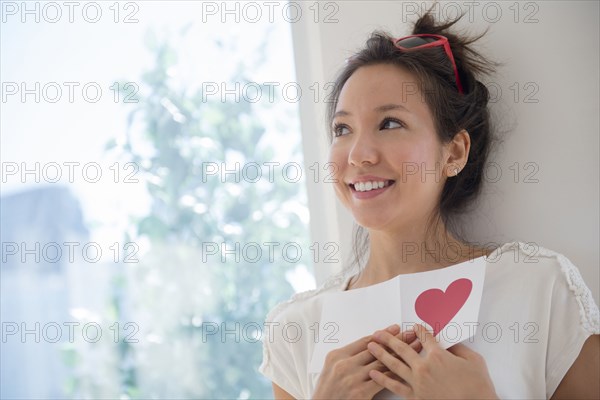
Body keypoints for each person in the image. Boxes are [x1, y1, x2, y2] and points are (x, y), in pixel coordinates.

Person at [259, 10, 600, 400]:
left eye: (389, 123)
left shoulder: (538, 288)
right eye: (342, 129)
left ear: (454, 151)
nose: (358, 154)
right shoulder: (296, 330)